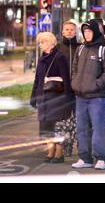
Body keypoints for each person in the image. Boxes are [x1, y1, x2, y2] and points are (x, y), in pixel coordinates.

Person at [71, 19, 105, 170]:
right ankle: (85, 158)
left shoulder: (104, 50)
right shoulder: (81, 49)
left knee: (98, 128)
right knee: (82, 128)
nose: (86, 34)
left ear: (95, 32)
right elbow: (75, 69)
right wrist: (75, 83)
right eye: (84, 32)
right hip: (81, 96)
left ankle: (101, 158)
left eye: (89, 31)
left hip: (97, 97)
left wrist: (96, 85)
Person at [30, 32, 72, 163]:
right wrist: (34, 97)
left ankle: (59, 153)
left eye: (42, 42)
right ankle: (50, 151)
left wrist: (68, 98)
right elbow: (37, 79)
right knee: (46, 127)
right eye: (40, 42)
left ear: (50, 43)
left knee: (58, 127)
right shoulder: (41, 59)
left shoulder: (60, 57)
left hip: (57, 99)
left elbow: (66, 79)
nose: (40, 45)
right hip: (43, 99)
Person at [55, 20, 80, 156]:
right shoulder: (58, 48)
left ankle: (81, 145)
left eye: (72, 29)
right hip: (63, 90)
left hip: (78, 89)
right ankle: (66, 146)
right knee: (64, 121)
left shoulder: (81, 47)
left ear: (75, 32)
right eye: (67, 29)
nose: (69, 31)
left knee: (79, 119)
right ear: (62, 32)